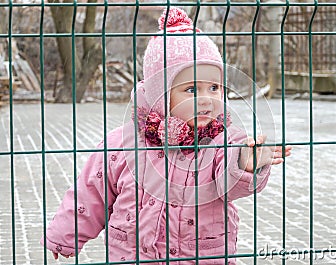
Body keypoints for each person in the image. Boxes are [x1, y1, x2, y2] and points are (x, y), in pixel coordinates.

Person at [41, 7, 292, 264]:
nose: (206, 99)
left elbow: (228, 179)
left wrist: (245, 165)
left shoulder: (223, 142)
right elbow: (91, 192)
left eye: (214, 87)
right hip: (134, 256)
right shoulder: (122, 145)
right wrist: (65, 235)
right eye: (192, 89)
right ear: (160, 93)